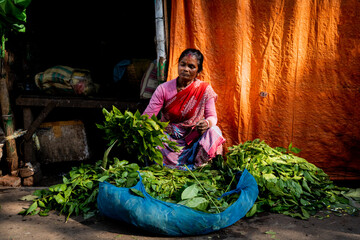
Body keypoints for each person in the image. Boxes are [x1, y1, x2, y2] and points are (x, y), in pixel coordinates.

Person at [142, 48, 225, 170]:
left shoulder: (204, 89)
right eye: (183, 64)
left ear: (198, 71)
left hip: (193, 139)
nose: (185, 69)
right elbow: (148, 116)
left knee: (214, 131)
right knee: (150, 135)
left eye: (191, 66)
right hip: (168, 141)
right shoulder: (163, 89)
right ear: (178, 65)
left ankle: (199, 168)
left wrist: (206, 123)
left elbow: (212, 117)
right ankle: (163, 166)